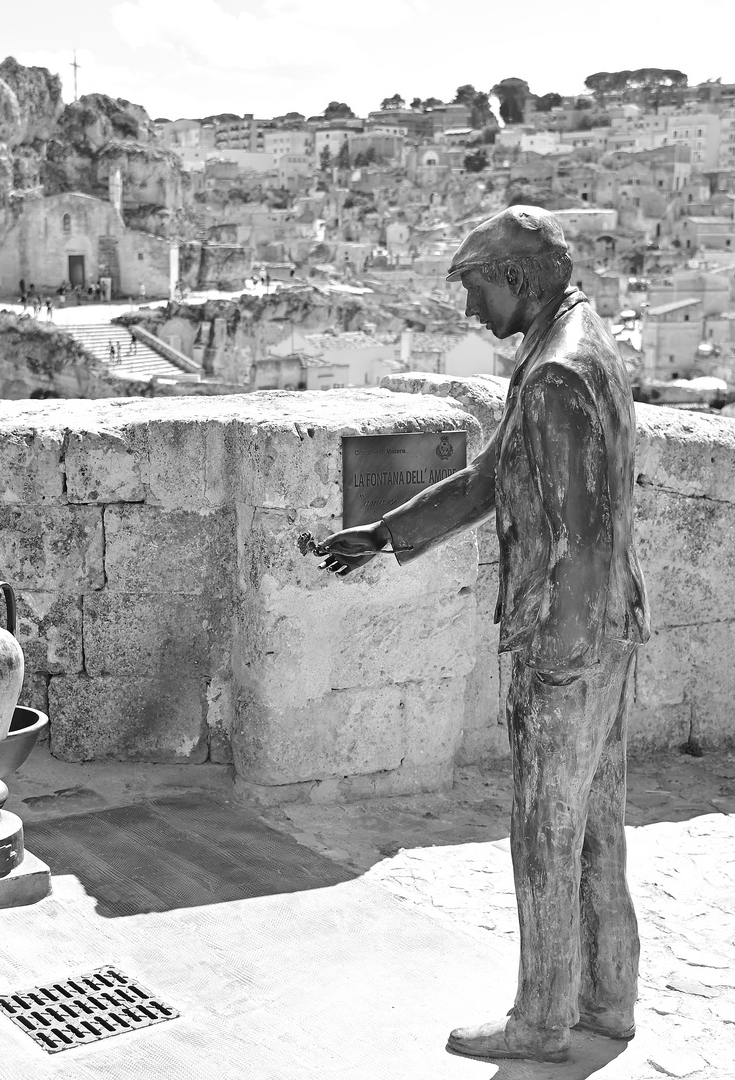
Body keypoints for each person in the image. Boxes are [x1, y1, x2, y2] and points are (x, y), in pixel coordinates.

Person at [317, 206, 649, 1064]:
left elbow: (577, 529)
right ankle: (610, 995)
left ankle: (542, 1019)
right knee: (597, 821)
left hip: (568, 640)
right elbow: (495, 478)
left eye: (474, 286)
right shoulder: (584, 345)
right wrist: (387, 535)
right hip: (611, 625)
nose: (468, 310)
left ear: (520, 279)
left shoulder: (555, 374)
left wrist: (548, 645)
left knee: (545, 830)